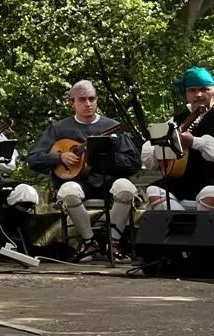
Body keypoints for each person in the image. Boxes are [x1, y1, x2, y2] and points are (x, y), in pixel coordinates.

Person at [26, 81, 141, 261]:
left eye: (92, 99)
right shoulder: (58, 129)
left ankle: (115, 244)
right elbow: (33, 159)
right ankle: (89, 244)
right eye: (82, 100)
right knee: (69, 191)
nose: (88, 104)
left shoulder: (113, 127)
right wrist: (59, 158)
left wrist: (104, 158)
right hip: (76, 183)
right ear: (72, 103)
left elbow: (133, 163)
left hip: (108, 181)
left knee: (125, 187)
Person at [143, 67, 214, 213]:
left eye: (204, 89)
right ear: (185, 94)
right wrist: (159, 152)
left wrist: (194, 142)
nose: (199, 94)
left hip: (212, 178)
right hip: (185, 180)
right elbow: (152, 144)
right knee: (155, 190)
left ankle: (205, 234)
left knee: (209, 193)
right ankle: (183, 229)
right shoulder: (177, 120)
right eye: (192, 90)